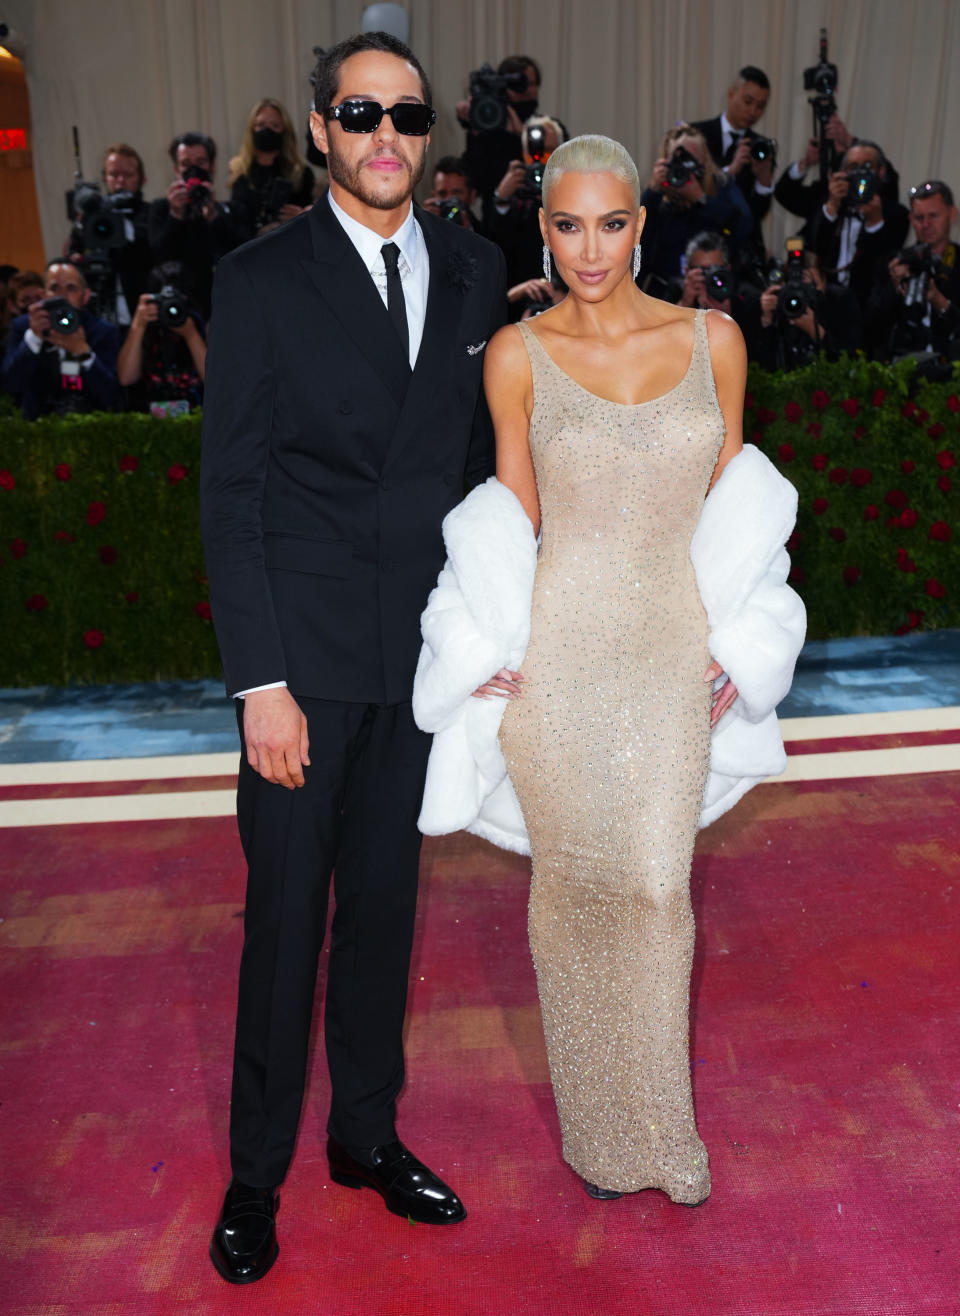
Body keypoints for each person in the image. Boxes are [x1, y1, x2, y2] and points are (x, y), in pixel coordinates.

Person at [411, 134, 804, 1205]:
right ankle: (600, 1136)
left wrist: (745, 643)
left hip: (673, 652)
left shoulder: (713, 340)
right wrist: (479, 647)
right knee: (575, 894)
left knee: (654, 888)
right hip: (561, 657)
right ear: (542, 226)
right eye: (569, 224)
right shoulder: (515, 353)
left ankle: (664, 1134)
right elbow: (509, 517)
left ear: (642, 223)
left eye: (614, 222)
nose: (592, 248)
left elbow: (744, 518)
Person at [200, 30, 507, 1285]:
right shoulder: (263, 279)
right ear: (322, 129)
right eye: (361, 112)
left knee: (386, 915)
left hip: (422, 660)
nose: (388, 135)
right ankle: (255, 1173)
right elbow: (234, 492)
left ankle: (366, 1136)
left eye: (410, 116)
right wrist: (259, 683)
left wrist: (495, 635)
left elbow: (487, 475)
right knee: (285, 931)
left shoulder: (483, 270)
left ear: (430, 137)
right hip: (305, 671)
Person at [639, 124, 753, 288]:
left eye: (691, 161)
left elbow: (743, 227)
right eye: (679, 161)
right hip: (666, 293)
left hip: (714, 288)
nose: (685, 168)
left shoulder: (722, 187)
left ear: (704, 162)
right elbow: (638, 242)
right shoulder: (658, 199)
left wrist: (701, 199)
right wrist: (653, 190)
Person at [148, 132, 249, 318]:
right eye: (186, 164)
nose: (193, 170)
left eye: (201, 162)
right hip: (179, 311)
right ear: (176, 169)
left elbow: (244, 253)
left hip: (228, 308)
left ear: (212, 166)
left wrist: (213, 216)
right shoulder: (161, 209)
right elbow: (156, 256)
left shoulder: (231, 210)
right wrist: (175, 215)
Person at [2, 259, 119, 418]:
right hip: (37, 426)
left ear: (84, 296)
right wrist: (33, 339)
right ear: (43, 294)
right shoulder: (23, 327)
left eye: (71, 288)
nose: (62, 295)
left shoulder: (102, 331)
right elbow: (9, 387)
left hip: (91, 424)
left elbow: (110, 396)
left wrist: (83, 352)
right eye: (54, 288)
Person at [808, 139, 909, 310]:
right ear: (844, 172)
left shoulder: (896, 213)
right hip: (826, 301)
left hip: (868, 309)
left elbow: (881, 267)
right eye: (854, 167)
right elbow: (815, 247)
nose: (861, 173)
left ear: (881, 171)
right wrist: (832, 206)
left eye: (868, 166)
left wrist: (874, 223)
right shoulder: (832, 205)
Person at [867, 179, 960, 363]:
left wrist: (940, 302)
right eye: (919, 218)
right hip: (898, 367)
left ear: (952, 214)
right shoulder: (893, 262)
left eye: (934, 216)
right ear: (911, 219)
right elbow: (870, 328)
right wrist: (894, 288)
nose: (926, 224)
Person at [67, 142, 152, 331]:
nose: (120, 181)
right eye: (114, 174)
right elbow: (74, 256)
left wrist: (124, 226)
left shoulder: (151, 214)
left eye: (128, 175)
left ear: (141, 179)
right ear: (104, 178)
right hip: (99, 315)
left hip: (142, 315)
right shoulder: (91, 219)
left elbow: (153, 252)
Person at [692, 65, 775, 257]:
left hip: (743, 250)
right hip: (700, 243)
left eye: (761, 106)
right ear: (731, 94)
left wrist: (764, 181)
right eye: (748, 101)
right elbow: (692, 195)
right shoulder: (697, 136)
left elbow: (759, 213)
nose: (753, 111)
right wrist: (731, 170)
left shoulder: (760, 147)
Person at [117, 261, 206, 413]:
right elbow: (126, 378)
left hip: (197, 420)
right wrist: (138, 326)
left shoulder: (199, 326)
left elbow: (214, 381)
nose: (170, 306)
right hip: (149, 422)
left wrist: (191, 335)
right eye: (163, 300)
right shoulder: (144, 328)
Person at [228, 98, 315, 235]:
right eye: (261, 125)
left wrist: (301, 216)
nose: (267, 131)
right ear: (252, 129)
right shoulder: (239, 170)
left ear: (285, 131)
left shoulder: (301, 173)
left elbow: (311, 219)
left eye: (275, 126)